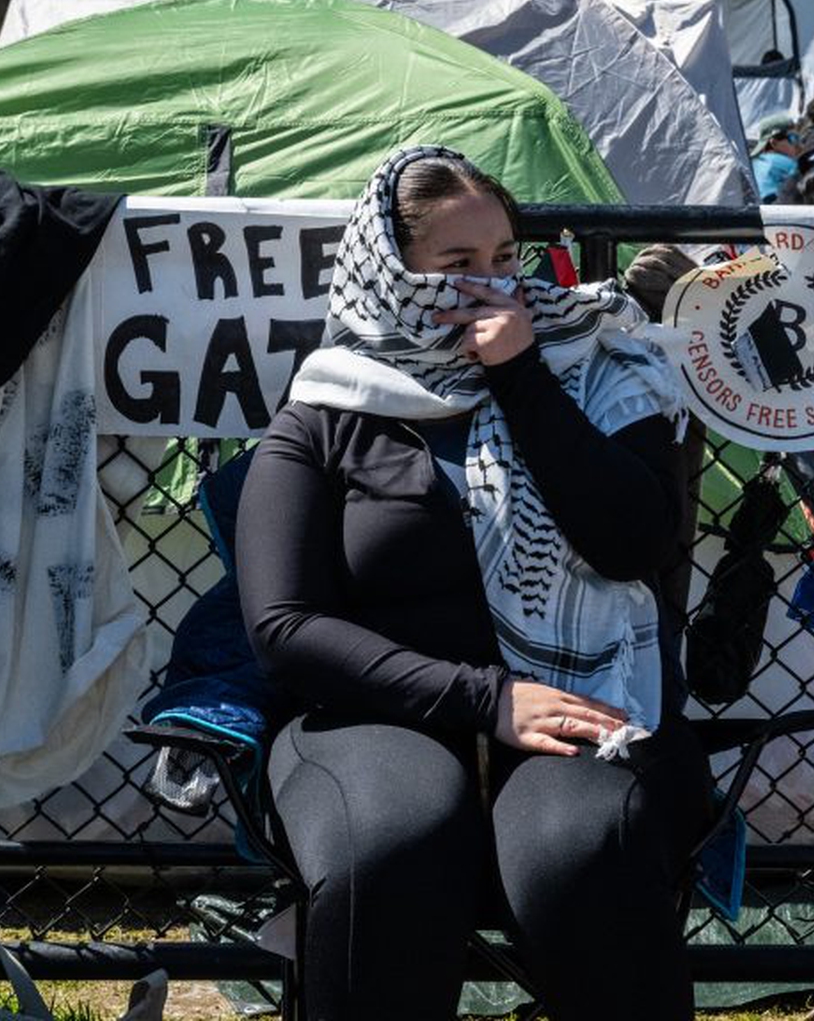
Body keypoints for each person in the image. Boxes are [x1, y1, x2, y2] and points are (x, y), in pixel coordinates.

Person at [236, 147, 709, 1020]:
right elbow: (286, 626)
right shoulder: (329, 411)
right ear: (391, 272)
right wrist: (485, 698)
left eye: (503, 260)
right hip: (379, 713)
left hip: (585, 697)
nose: (491, 288)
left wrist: (521, 377)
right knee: (390, 845)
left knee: (582, 851)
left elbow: (632, 544)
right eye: (456, 267)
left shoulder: (599, 368)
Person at [748, 112, 803, 203]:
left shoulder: (753, 163)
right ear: (774, 143)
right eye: (793, 138)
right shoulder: (790, 165)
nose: (797, 144)